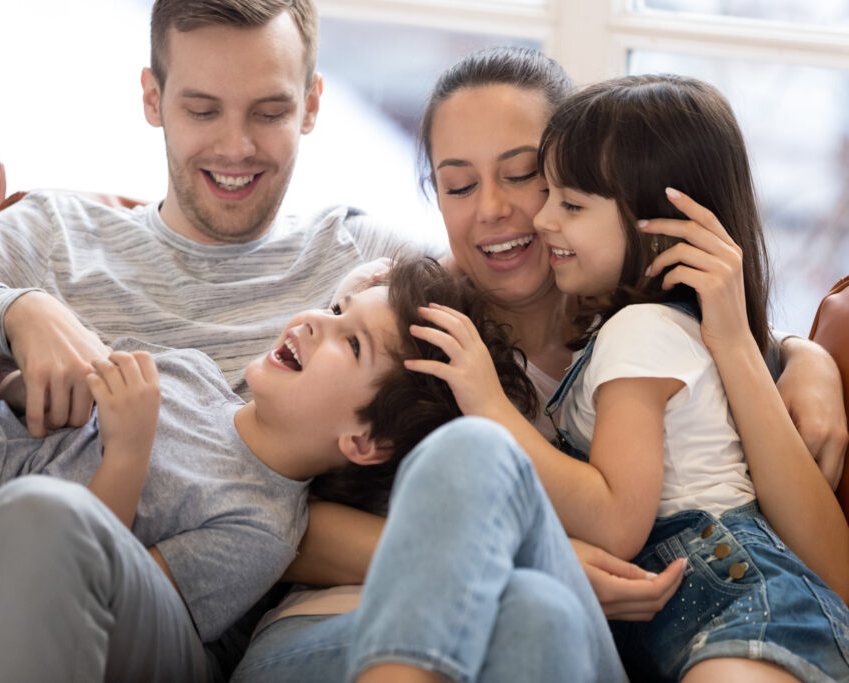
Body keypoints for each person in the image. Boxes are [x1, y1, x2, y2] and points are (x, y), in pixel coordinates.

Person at [232, 47, 849, 683]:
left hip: (581, 639)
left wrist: (787, 356)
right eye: (459, 185)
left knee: (538, 609)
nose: (494, 209)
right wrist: (514, 549)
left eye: (526, 176)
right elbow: (253, 505)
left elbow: (832, 577)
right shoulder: (398, 313)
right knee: (524, 571)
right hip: (350, 625)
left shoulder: (669, 334)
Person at [0, 233, 541, 679]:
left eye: (349, 343)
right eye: (334, 312)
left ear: (366, 442)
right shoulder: (195, 372)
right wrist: (33, 380)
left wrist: (129, 450)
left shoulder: (261, 528)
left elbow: (88, 583)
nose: (313, 322)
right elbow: (14, 405)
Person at [411, 74, 849, 681]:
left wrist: (801, 356)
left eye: (537, 185)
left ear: (658, 223)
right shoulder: (415, 309)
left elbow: (618, 520)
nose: (533, 218)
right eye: (457, 184)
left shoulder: (639, 333)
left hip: (743, 606)